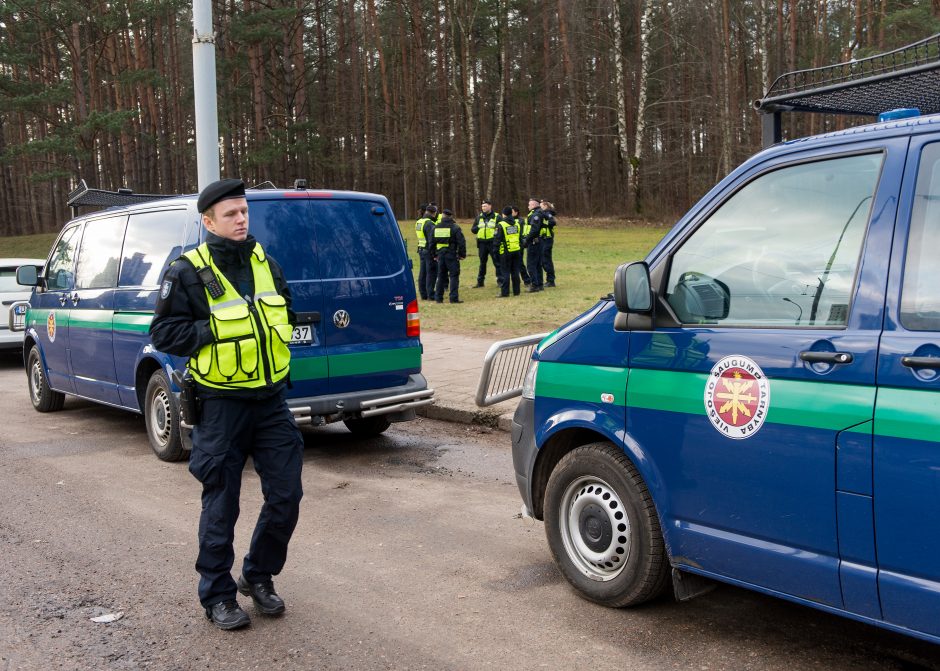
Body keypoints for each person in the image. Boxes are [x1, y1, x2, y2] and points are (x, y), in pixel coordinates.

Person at [150, 178, 304, 631]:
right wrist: (214, 332)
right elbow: (164, 334)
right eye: (231, 214)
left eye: (244, 212)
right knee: (222, 502)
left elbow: (286, 311)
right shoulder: (186, 271)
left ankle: (257, 575)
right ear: (208, 220)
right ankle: (216, 595)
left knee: (287, 495)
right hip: (221, 406)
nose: (241, 220)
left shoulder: (266, 263)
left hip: (271, 401)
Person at [432, 208, 467, 303]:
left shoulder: (436, 227)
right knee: (454, 276)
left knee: (441, 276)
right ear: (451, 216)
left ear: (442, 216)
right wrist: (462, 254)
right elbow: (461, 242)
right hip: (451, 255)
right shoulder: (455, 227)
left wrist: (434, 255)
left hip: (440, 255)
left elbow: (431, 243)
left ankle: (438, 298)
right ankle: (453, 298)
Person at [492, 206, 522, 297]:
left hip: (505, 251)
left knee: (505, 272)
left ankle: (505, 292)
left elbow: (497, 240)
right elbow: (520, 237)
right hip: (516, 250)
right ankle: (516, 291)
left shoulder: (501, 225)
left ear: (504, 214)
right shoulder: (517, 223)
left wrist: (495, 252)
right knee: (515, 271)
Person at [470, 200, 499, 288]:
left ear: (490, 206)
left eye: (485, 206)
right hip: (482, 244)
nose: (483, 208)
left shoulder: (497, 216)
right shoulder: (479, 217)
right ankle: (480, 282)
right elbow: (473, 230)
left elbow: (501, 228)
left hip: (492, 243)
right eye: (482, 206)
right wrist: (479, 226)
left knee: (497, 263)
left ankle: (500, 281)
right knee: (482, 263)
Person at [414, 204, 436, 300]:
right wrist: (434, 253)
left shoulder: (419, 222)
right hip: (428, 251)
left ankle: (423, 294)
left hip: (421, 249)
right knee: (431, 273)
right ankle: (431, 294)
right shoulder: (429, 224)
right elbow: (432, 240)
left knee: (422, 273)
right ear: (433, 213)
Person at [523, 197, 545, 292]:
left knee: (531, 265)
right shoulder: (539, 213)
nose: (528, 206)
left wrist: (526, 240)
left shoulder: (536, 215)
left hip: (534, 242)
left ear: (533, 205)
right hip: (538, 241)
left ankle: (535, 285)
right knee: (537, 265)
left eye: (529, 204)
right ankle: (540, 284)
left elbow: (534, 230)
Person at [539, 199, 557, 287]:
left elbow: (552, 222)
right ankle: (550, 280)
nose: (540, 207)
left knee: (546, 260)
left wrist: (544, 224)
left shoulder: (547, 213)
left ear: (545, 206)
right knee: (545, 260)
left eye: (541, 206)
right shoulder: (545, 213)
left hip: (547, 239)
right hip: (545, 239)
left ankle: (551, 280)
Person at [512, 205, 531, 287]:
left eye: (512, 212)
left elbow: (522, 233)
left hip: (519, 245)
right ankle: (515, 281)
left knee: (519, 263)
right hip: (510, 245)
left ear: (516, 212)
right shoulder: (506, 221)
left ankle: (527, 280)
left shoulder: (521, 221)